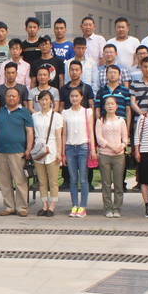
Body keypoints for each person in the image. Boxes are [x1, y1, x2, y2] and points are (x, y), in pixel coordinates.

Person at [0, 87, 34, 217]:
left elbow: (29, 132)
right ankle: (9, 206)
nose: (11, 98)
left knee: (20, 181)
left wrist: (28, 149)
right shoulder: (1, 112)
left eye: (14, 96)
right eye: (9, 96)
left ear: (19, 98)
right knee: (5, 181)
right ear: (5, 97)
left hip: (18, 151)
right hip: (2, 151)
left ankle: (22, 207)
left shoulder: (25, 112)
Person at [61, 86, 95, 217]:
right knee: (73, 179)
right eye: (72, 96)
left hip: (83, 147)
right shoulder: (65, 113)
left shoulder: (87, 112)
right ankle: (74, 205)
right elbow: (64, 134)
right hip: (70, 148)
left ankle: (83, 206)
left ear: (81, 97)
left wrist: (92, 149)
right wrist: (63, 152)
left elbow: (90, 131)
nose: (74, 98)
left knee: (84, 179)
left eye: (76, 96)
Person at [95, 95, 128, 218]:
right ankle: (108, 208)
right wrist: (111, 146)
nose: (110, 106)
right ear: (104, 106)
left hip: (119, 155)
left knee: (118, 183)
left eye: (112, 104)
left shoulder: (121, 121)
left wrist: (122, 146)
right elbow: (99, 137)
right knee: (106, 183)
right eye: (108, 104)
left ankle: (117, 208)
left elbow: (125, 138)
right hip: (105, 155)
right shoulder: (100, 121)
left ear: (116, 106)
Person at [31, 91, 63, 217]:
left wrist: (59, 152)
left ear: (51, 101)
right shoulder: (35, 116)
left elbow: (59, 136)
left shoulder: (56, 116)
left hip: (52, 148)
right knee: (42, 180)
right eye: (41, 99)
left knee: (53, 180)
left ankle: (52, 206)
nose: (44, 102)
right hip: (38, 149)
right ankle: (44, 205)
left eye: (46, 99)